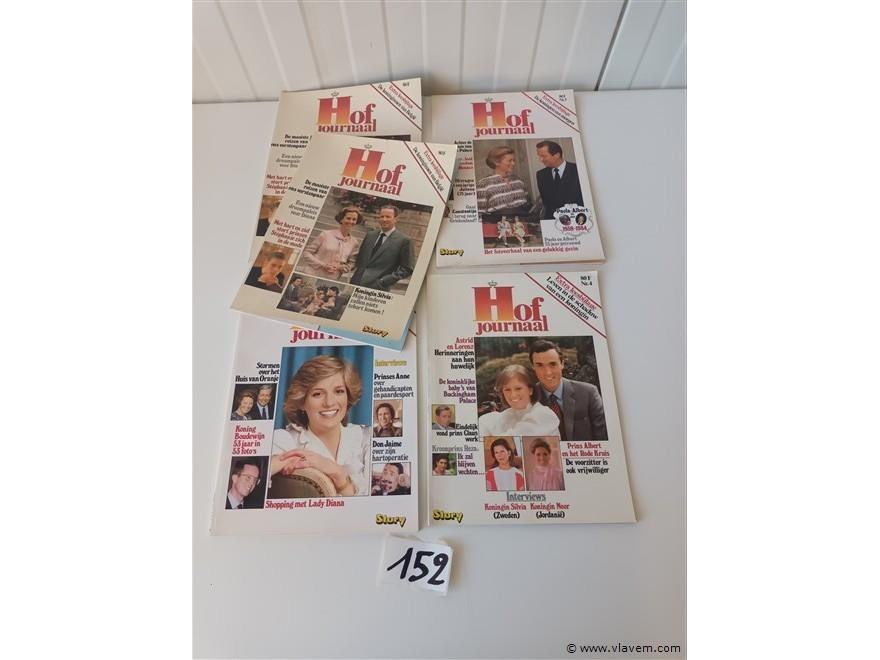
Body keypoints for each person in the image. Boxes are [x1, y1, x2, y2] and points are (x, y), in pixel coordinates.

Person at [269, 355, 371, 496]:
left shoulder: (366, 438)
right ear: (302, 402)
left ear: (348, 397)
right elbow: (252, 474)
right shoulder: (285, 440)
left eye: (339, 391)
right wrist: (288, 460)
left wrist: (338, 475)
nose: (329, 402)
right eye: (317, 394)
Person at [529, 339, 607, 442]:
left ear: (562, 364)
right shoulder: (527, 399)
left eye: (553, 364)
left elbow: (603, 439)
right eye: (540, 365)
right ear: (533, 367)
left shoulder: (589, 393)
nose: (548, 372)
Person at [478, 364, 559, 437]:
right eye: (507, 390)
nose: (513, 395)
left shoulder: (543, 414)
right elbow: (484, 423)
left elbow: (509, 439)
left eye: (518, 388)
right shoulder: (507, 415)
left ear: (530, 390)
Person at [349, 205, 413, 292]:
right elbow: (361, 257)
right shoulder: (370, 235)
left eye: (388, 217)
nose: (384, 219)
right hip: (355, 282)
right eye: (381, 216)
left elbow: (407, 268)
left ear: (396, 219)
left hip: (378, 288)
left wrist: (384, 281)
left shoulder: (404, 240)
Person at [298, 207, 363, 279]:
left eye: (354, 219)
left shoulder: (354, 242)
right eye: (348, 218)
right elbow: (307, 253)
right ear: (341, 219)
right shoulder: (326, 234)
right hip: (312, 274)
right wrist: (323, 265)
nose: (351, 221)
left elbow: (352, 263)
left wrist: (344, 267)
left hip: (332, 278)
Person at [476, 146, 531, 217]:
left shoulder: (518, 181)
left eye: (514, 160)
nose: (513, 163)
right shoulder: (484, 184)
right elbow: (480, 215)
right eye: (509, 161)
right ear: (496, 162)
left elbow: (528, 205)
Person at [535, 140, 584, 219]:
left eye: (544, 156)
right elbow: (546, 203)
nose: (540, 160)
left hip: (576, 219)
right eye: (539, 156)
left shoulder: (579, 170)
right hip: (551, 220)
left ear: (557, 155)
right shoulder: (541, 174)